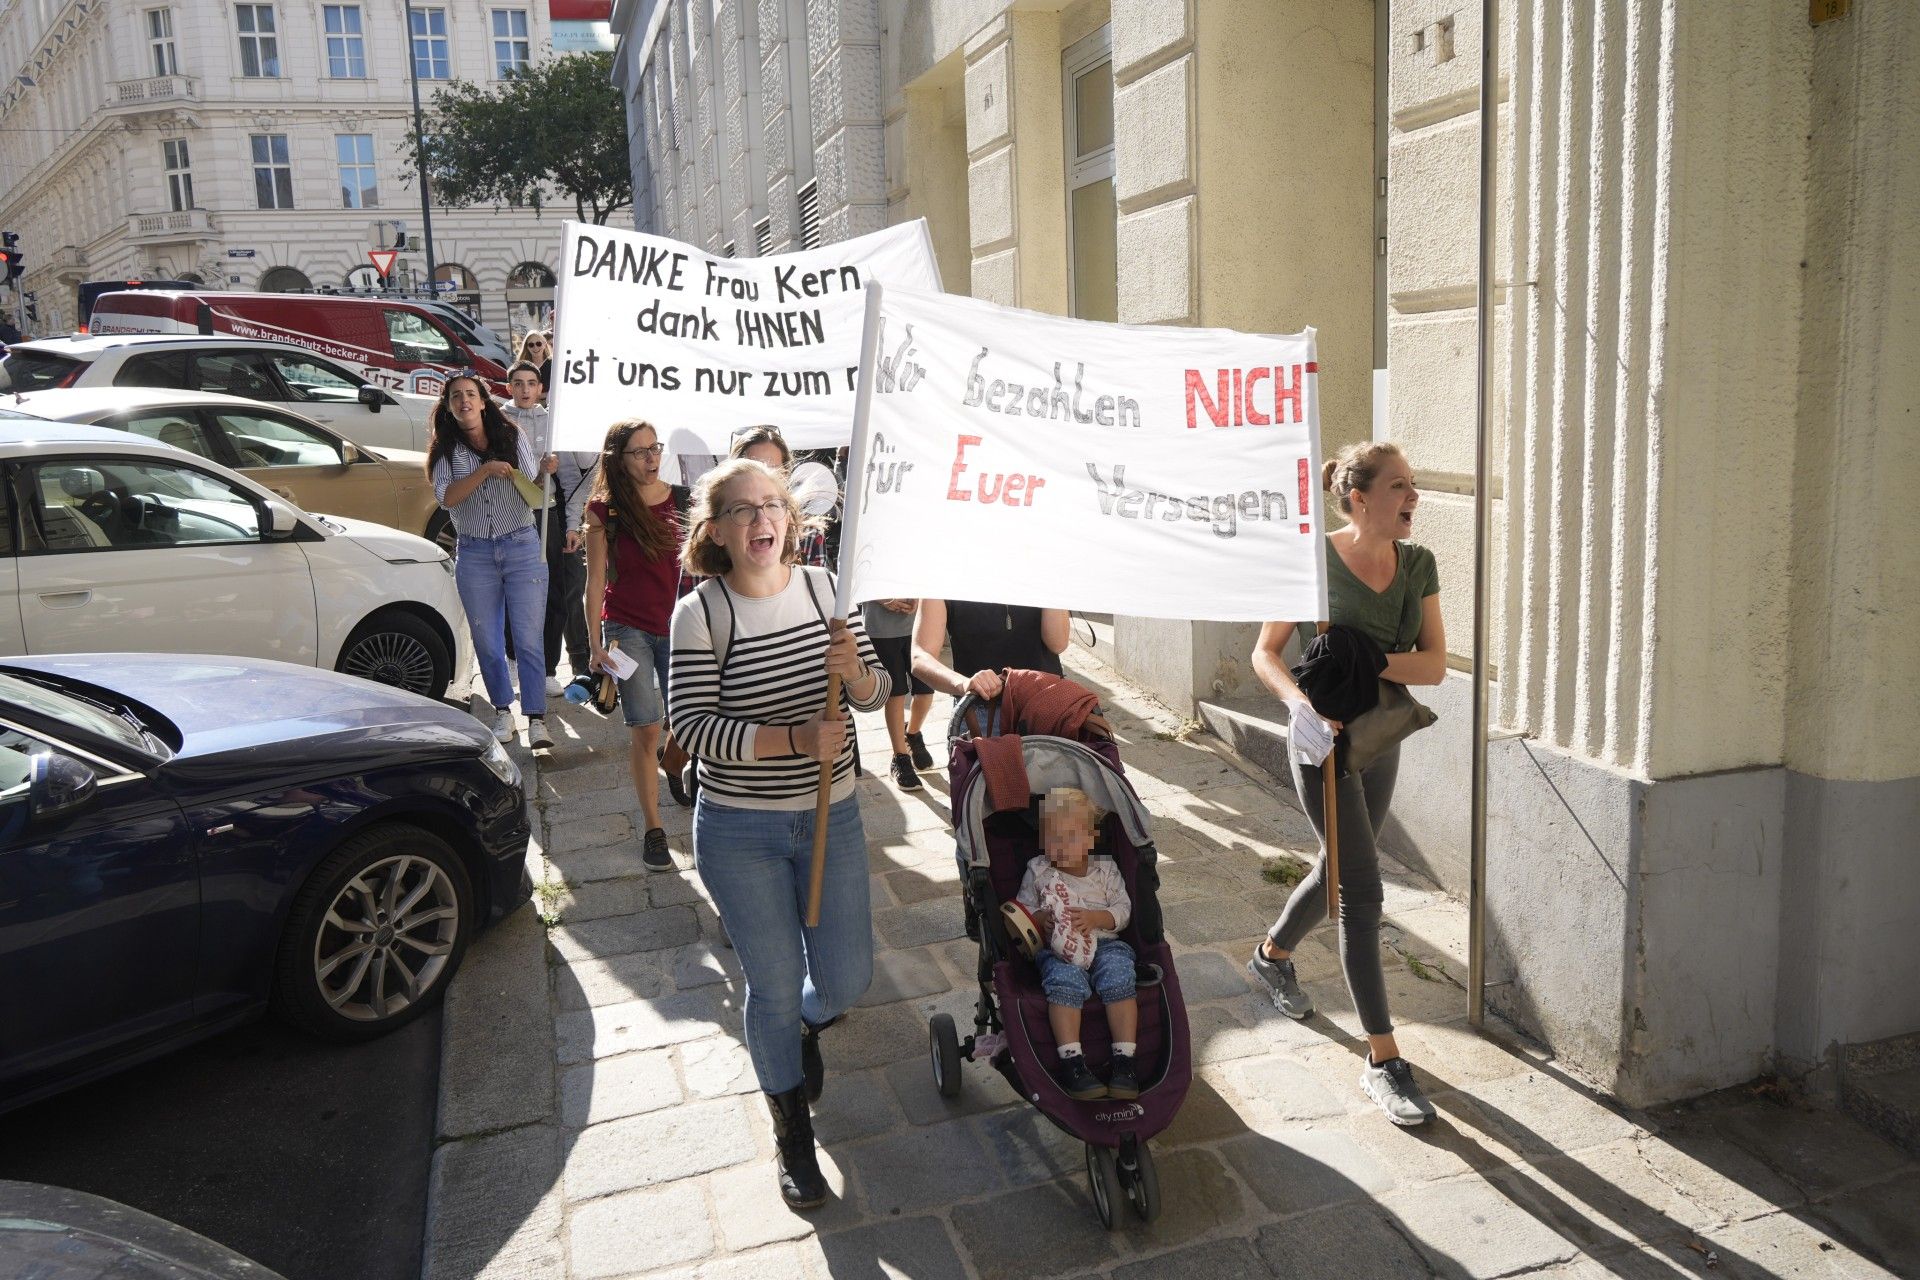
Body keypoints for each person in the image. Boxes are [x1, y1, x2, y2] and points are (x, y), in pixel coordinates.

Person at [668, 457, 889, 1210]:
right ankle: (792, 1136)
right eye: (740, 509)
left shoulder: (829, 593)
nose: (760, 519)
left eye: (772, 504)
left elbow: (875, 695)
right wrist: (793, 738)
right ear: (717, 531)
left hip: (838, 814)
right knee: (767, 985)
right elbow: (692, 728)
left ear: (792, 519)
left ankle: (800, 1026)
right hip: (741, 832)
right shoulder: (702, 612)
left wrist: (855, 670)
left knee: (846, 978)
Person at [1247, 441, 1444, 1127]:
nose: (1412, 495)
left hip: (1379, 736)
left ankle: (1272, 955)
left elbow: (1435, 665)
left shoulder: (1419, 564)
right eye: (1398, 485)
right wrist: (1299, 707)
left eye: (1413, 484)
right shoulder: (1312, 561)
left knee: (1338, 868)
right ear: (1359, 497)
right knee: (1363, 890)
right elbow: (1266, 651)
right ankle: (1383, 1060)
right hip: (1320, 740)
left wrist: (1365, 656)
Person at [428, 373, 555, 746]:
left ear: (484, 401)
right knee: (486, 638)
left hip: (520, 545)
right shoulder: (445, 450)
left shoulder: (512, 435)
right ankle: (503, 711)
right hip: (475, 552)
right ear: (449, 407)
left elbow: (531, 479)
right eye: (456, 397)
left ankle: (535, 717)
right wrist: (484, 470)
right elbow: (447, 498)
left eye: (471, 394)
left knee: (529, 636)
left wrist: (546, 468)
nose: (464, 401)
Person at [584, 419, 685, 872]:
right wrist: (595, 646)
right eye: (640, 451)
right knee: (646, 727)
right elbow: (594, 582)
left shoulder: (683, 500)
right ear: (617, 459)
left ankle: (675, 761)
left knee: (687, 722)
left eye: (655, 448)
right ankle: (653, 827)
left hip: (684, 627)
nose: (651, 458)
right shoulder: (604, 511)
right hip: (628, 631)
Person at [1016, 787, 1139, 1101]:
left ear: (1090, 837)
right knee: (1063, 980)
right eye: (1052, 836)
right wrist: (1041, 918)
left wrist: (1098, 918)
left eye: (1070, 836)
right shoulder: (1039, 870)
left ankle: (1125, 1060)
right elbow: (1022, 910)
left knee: (1119, 972)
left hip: (1105, 942)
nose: (1060, 845)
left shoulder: (1105, 870)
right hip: (1060, 947)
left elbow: (1124, 910)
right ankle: (1072, 1062)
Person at [502, 361, 598, 697]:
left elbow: (571, 480)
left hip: (548, 513)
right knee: (514, 591)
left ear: (541, 388)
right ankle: (515, 658)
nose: (526, 390)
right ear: (509, 386)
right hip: (510, 514)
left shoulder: (554, 423)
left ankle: (547, 668)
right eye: (519, 383)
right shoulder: (498, 420)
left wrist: (573, 525)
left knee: (554, 591)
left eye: (532, 383)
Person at [910, 600, 1070, 703]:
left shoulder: (1040, 569)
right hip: (981, 713)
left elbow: (1057, 643)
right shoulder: (946, 577)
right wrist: (964, 683)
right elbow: (921, 657)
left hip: (1048, 704)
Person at [861, 597, 935, 790]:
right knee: (896, 693)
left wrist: (920, 600)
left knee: (926, 690)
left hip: (919, 627)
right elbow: (855, 580)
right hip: (881, 630)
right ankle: (900, 758)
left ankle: (912, 734)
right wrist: (883, 600)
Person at [731, 426, 828, 567]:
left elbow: (818, 588)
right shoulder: (718, 529)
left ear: (786, 475)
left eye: (774, 471)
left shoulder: (808, 536)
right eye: (754, 469)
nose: (765, 478)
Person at [516, 330, 552, 394]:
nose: (535, 347)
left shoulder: (553, 364)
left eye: (538, 344)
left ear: (544, 344)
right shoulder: (522, 366)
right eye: (531, 345)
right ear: (527, 347)